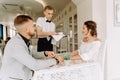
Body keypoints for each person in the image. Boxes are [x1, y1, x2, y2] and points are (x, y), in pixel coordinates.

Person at [0, 15, 64, 80]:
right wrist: (56, 60)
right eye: (33, 26)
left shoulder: (23, 40)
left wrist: (46, 53)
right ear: (26, 30)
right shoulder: (15, 44)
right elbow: (34, 65)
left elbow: (31, 52)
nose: (35, 28)